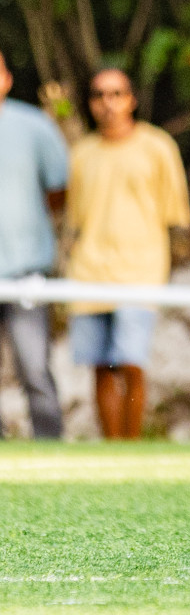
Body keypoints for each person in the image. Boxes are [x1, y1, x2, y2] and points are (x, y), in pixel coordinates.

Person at [66, 67, 190, 440]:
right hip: (89, 272)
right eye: (100, 95)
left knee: (131, 361)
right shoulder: (82, 153)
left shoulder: (158, 147)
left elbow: (174, 215)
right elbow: (75, 217)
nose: (109, 103)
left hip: (140, 269)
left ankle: (133, 448)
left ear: (131, 99)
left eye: (117, 93)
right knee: (100, 365)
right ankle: (112, 450)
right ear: (90, 103)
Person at [0, 48, 67, 438]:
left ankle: (51, 449)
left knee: (35, 369)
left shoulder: (34, 125)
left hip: (26, 273)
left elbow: (58, 189)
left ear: (7, 78)